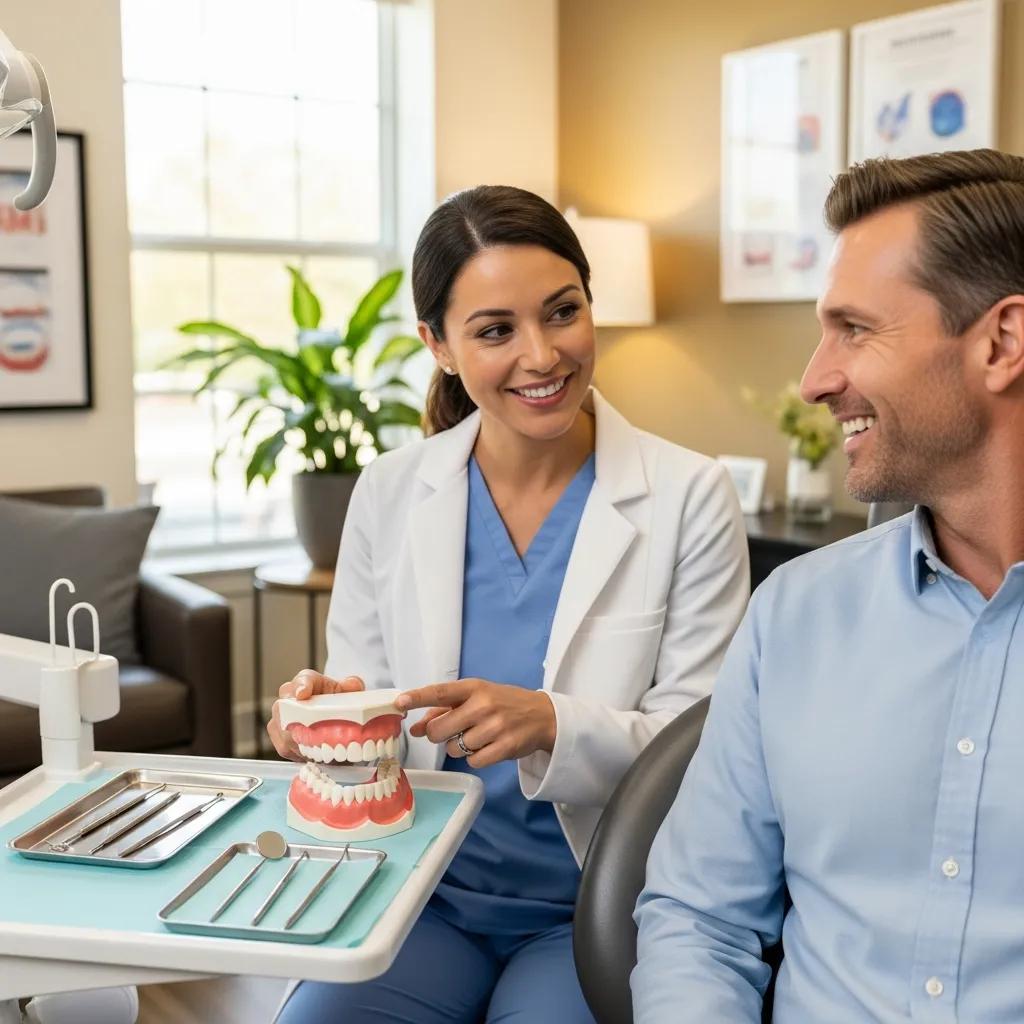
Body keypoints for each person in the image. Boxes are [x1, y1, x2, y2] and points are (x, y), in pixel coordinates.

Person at [268, 185, 750, 1023]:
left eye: (562, 312)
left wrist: (553, 723)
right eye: (496, 330)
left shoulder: (688, 495)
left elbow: (699, 753)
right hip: (419, 896)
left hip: (588, 909)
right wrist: (329, 720)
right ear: (439, 345)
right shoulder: (388, 492)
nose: (542, 355)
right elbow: (368, 695)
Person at [633, 148, 1024, 1023]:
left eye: (855, 328)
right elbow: (698, 922)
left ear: (1002, 341)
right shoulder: (795, 615)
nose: (815, 379)